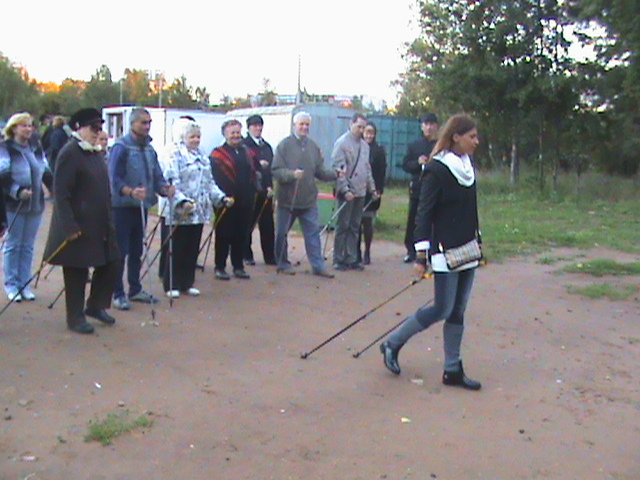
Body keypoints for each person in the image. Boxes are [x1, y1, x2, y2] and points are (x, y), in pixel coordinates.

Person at [380, 114, 482, 391]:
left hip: (467, 248)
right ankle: (392, 343)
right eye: (472, 136)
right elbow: (423, 214)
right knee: (442, 308)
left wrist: (478, 239)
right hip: (443, 250)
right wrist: (420, 255)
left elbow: (470, 209)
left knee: (458, 310)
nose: (476, 141)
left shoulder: (468, 166)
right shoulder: (436, 169)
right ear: (456, 137)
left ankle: (452, 369)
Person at [43, 108, 120, 334]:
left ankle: (95, 305)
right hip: (77, 225)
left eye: (100, 128)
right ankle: (75, 318)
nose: (98, 132)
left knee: (112, 261)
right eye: (94, 128)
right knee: (76, 271)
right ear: (79, 128)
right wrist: (69, 226)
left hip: (99, 223)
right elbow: (61, 192)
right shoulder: (70, 152)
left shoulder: (94, 152)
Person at [108, 108, 175, 310]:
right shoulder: (121, 147)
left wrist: (164, 189)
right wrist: (130, 191)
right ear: (132, 124)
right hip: (122, 207)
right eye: (143, 123)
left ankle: (135, 288)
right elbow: (114, 179)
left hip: (142, 207)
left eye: (149, 123)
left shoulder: (150, 150)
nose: (147, 127)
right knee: (120, 251)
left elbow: (156, 176)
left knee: (137, 250)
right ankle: (117, 292)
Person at [159, 119, 233, 297]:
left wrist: (221, 197)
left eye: (198, 137)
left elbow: (209, 182)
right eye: (192, 137)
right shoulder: (174, 154)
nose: (196, 140)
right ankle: (171, 284)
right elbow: (171, 182)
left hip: (199, 210)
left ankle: (187, 282)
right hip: (180, 211)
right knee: (176, 248)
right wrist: (182, 201)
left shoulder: (202, 154)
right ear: (183, 137)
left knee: (192, 248)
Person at [271, 111, 337, 278]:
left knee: (313, 234)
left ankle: (318, 266)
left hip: (308, 200)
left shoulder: (313, 147)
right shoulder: (284, 146)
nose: (304, 127)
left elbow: (320, 171)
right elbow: (276, 170)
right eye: (301, 124)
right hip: (287, 200)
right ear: (295, 125)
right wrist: (291, 175)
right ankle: (282, 263)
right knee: (282, 233)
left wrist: (335, 174)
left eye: (307, 124)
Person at [0, 112, 53, 302]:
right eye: (24, 126)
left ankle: (25, 284)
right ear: (14, 128)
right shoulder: (5, 148)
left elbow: (45, 170)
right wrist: (17, 191)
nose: (29, 129)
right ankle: (11, 284)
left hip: (35, 204)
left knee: (28, 246)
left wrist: (54, 188)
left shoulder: (35, 147)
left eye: (30, 125)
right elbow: (3, 175)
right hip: (15, 204)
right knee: (13, 245)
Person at [210, 119, 257, 280]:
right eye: (232, 133)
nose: (236, 135)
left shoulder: (247, 152)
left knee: (241, 234)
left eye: (238, 132)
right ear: (225, 134)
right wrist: (225, 196)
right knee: (224, 234)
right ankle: (220, 267)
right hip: (226, 200)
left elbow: (253, 172)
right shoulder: (218, 154)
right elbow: (216, 177)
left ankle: (238, 266)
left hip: (246, 199)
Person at [331, 113, 378, 271]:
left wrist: (372, 188)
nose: (361, 130)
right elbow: (338, 169)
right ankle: (338, 258)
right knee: (343, 226)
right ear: (351, 124)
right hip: (347, 192)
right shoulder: (342, 143)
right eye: (359, 127)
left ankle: (351, 258)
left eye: (364, 127)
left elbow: (367, 169)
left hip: (361, 191)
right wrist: (345, 190)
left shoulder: (365, 146)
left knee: (355, 226)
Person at [402, 113, 439, 263]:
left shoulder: (440, 145)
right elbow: (405, 165)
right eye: (426, 124)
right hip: (418, 188)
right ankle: (411, 250)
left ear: (436, 126)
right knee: (413, 219)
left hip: (435, 189)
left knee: (433, 220)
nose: (429, 127)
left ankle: (432, 250)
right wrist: (417, 163)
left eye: (432, 124)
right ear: (422, 126)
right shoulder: (414, 145)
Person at [242, 115, 276, 266]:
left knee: (267, 224)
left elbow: (270, 170)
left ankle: (270, 256)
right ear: (249, 128)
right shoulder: (244, 145)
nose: (258, 128)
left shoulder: (266, 147)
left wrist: (270, 187)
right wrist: (257, 165)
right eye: (255, 125)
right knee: (248, 223)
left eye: (260, 125)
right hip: (250, 191)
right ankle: (246, 254)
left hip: (265, 190)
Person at [358, 121, 386, 265]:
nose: (369, 135)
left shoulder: (379, 150)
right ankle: (356, 252)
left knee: (367, 222)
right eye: (366, 132)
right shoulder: (358, 147)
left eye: (371, 133)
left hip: (372, 191)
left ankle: (367, 251)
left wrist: (379, 190)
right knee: (356, 223)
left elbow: (382, 172)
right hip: (358, 189)